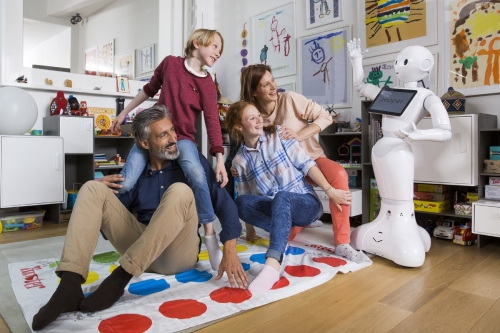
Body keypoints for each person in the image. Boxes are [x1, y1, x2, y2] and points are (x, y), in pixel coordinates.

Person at [32, 105, 247, 331]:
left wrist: (230, 249)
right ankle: (69, 285)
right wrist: (104, 192)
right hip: (140, 248)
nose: (174, 138)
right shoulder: (134, 174)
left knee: (180, 191)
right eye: (163, 135)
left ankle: (119, 279)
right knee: (91, 188)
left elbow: (224, 203)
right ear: (145, 143)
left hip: (176, 254)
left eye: (172, 130)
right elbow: (109, 222)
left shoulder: (191, 163)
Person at [109, 29, 228, 270]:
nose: (218, 52)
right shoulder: (170, 64)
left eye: (220, 49)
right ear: (197, 43)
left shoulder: (207, 84)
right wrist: (124, 112)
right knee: (128, 181)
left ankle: (209, 234)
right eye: (215, 46)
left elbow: (212, 122)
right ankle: (108, 222)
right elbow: (148, 89)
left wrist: (220, 160)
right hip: (153, 135)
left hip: (181, 138)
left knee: (196, 173)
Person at [236, 64, 363, 261]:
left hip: (310, 159)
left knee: (339, 175)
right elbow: (248, 147)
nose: (273, 87)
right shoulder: (255, 117)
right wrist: (236, 167)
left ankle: (342, 242)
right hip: (286, 175)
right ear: (253, 92)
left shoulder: (289, 99)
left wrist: (298, 135)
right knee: (287, 234)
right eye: (265, 85)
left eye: (273, 81)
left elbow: (325, 116)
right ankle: (302, 221)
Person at [225, 101, 352, 292]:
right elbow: (245, 193)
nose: (260, 120)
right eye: (252, 118)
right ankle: (281, 232)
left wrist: (329, 190)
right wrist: (249, 231)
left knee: (282, 196)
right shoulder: (240, 161)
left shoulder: (279, 135)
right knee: (241, 203)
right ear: (238, 126)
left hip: (305, 203)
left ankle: (273, 263)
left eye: (259, 115)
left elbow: (307, 165)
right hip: (279, 212)